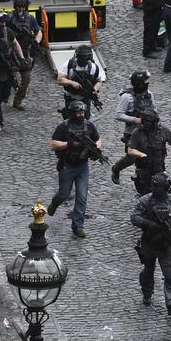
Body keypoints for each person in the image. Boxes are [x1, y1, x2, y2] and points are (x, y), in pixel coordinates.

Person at [131, 172, 171, 313]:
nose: (155, 189)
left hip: (166, 244)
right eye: (154, 186)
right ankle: (147, 294)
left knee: (169, 273)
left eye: (158, 186)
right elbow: (134, 217)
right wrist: (149, 224)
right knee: (148, 271)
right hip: (149, 242)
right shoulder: (145, 201)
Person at [47, 101, 102, 238]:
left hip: (82, 166)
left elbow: (98, 139)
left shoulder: (89, 125)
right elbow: (53, 144)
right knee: (64, 194)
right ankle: (55, 203)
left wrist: (96, 149)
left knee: (82, 197)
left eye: (82, 112)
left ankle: (78, 225)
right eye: (78, 112)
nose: (81, 115)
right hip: (67, 165)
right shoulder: (64, 127)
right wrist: (68, 144)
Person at [111, 70, 158, 184]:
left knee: (150, 154)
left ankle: (145, 179)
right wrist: (134, 119)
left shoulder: (149, 94)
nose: (148, 84)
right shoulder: (127, 97)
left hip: (148, 130)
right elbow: (118, 115)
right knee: (132, 157)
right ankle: (116, 168)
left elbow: (154, 109)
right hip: (132, 132)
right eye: (145, 82)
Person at [127, 109, 171, 195]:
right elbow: (130, 150)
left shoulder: (163, 130)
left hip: (159, 169)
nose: (146, 124)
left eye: (148, 122)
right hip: (143, 170)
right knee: (144, 196)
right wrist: (142, 155)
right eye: (144, 121)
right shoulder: (137, 132)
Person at [7, 0, 42, 110]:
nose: (20, 9)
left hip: (25, 51)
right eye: (18, 7)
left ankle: (17, 101)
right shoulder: (9, 18)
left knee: (26, 79)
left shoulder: (30, 18)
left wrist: (36, 42)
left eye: (23, 7)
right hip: (11, 51)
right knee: (8, 75)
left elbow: (39, 31)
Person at [57, 45, 103, 120]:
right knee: (69, 121)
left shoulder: (93, 67)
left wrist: (93, 89)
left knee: (85, 121)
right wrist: (72, 83)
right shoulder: (69, 64)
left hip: (85, 99)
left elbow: (99, 82)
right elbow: (60, 79)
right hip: (70, 98)